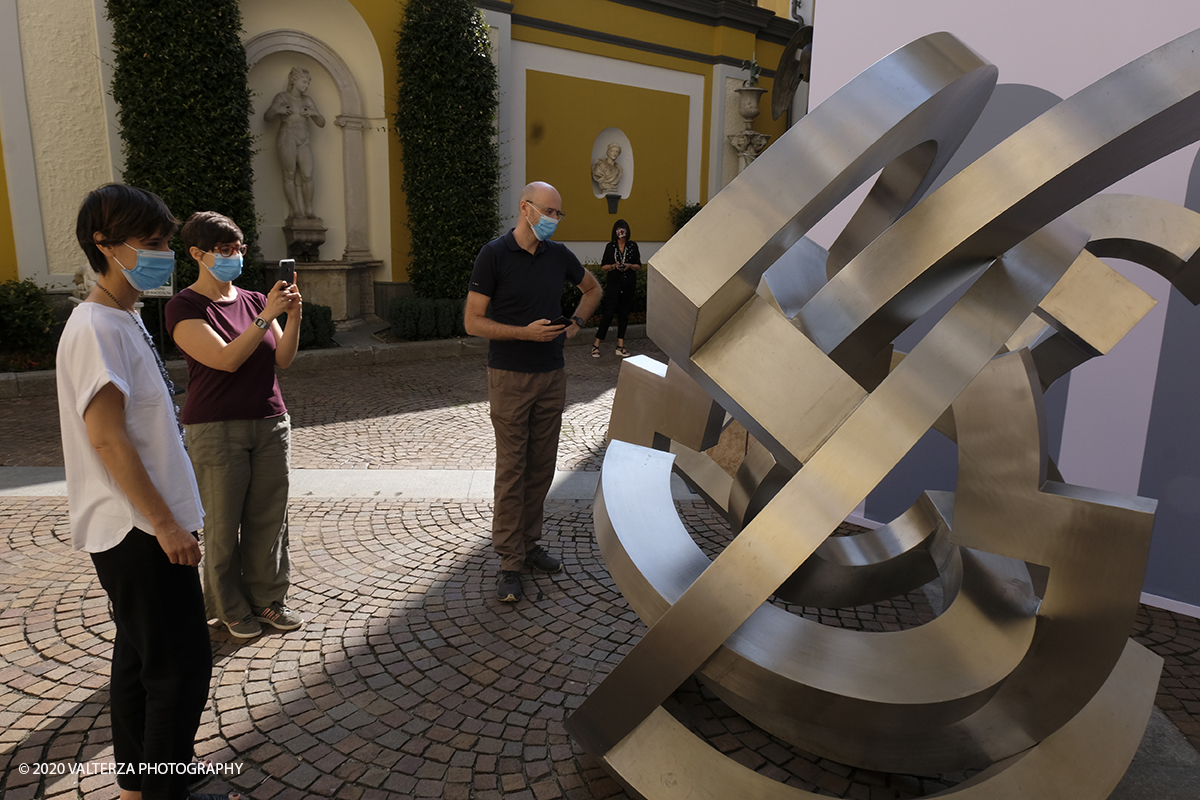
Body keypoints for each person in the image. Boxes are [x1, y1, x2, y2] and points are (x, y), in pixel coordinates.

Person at [59, 184, 232, 800]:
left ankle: (140, 783)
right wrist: (164, 524)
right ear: (104, 246)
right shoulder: (95, 327)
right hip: (137, 531)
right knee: (181, 670)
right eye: (152, 245)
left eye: (164, 243)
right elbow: (107, 438)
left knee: (138, 662)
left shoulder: (122, 317)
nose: (163, 255)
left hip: (143, 526)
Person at [166, 212, 304, 639]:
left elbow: (282, 358)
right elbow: (225, 359)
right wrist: (266, 317)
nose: (235, 257)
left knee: (269, 520)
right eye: (225, 250)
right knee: (223, 524)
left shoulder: (252, 299)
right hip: (216, 428)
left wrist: (293, 315)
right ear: (197, 253)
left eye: (239, 249)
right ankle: (228, 607)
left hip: (269, 421)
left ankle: (267, 600)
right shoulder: (184, 306)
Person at [465, 181, 602, 602]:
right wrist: (524, 334)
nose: (554, 221)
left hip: (551, 376)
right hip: (508, 376)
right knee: (512, 470)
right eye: (549, 212)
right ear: (525, 208)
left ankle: (528, 544)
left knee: (541, 467)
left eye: (559, 214)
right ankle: (509, 560)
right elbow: (473, 321)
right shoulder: (494, 254)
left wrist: (576, 325)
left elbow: (593, 289)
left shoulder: (558, 256)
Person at [264, 67, 325, 219]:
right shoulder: (282, 97)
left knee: (308, 174)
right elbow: (267, 117)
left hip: (303, 139)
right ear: (294, 80)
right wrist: (279, 109)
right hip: (287, 136)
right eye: (304, 81)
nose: (306, 85)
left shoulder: (307, 100)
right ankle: (295, 210)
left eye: (308, 82)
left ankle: (309, 210)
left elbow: (321, 122)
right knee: (289, 174)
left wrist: (314, 113)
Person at [591, 218, 641, 358]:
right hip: (614, 284)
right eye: (619, 229)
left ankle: (620, 346)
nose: (621, 232)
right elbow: (603, 267)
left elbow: (638, 265)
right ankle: (596, 344)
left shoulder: (633, 246)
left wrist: (629, 266)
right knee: (609, 313)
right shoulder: (610, 247)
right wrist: (614, 266)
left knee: (624, 314)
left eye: (623, 229)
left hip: (628, 284)